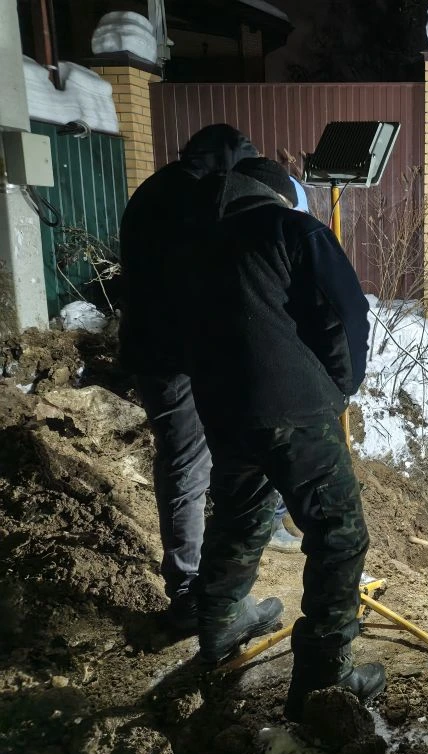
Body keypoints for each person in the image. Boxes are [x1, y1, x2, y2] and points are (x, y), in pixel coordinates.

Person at [181, 157, 383, 719]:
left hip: (224, 411)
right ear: (279, 195)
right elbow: (345, 313)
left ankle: (220, 622)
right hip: (295, 411)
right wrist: (340, 385)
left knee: (239, 515)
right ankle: (324, 678)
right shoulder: (293, 229)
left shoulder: (199, 242)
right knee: (338, 534)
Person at [119, 124, 260, 631]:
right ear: (223, 164)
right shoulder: (192, 200)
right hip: (177, 356)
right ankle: (190, 594)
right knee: (187, 464)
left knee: (191, 460)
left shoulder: (155, 189)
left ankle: (204, 587)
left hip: (158, 350)